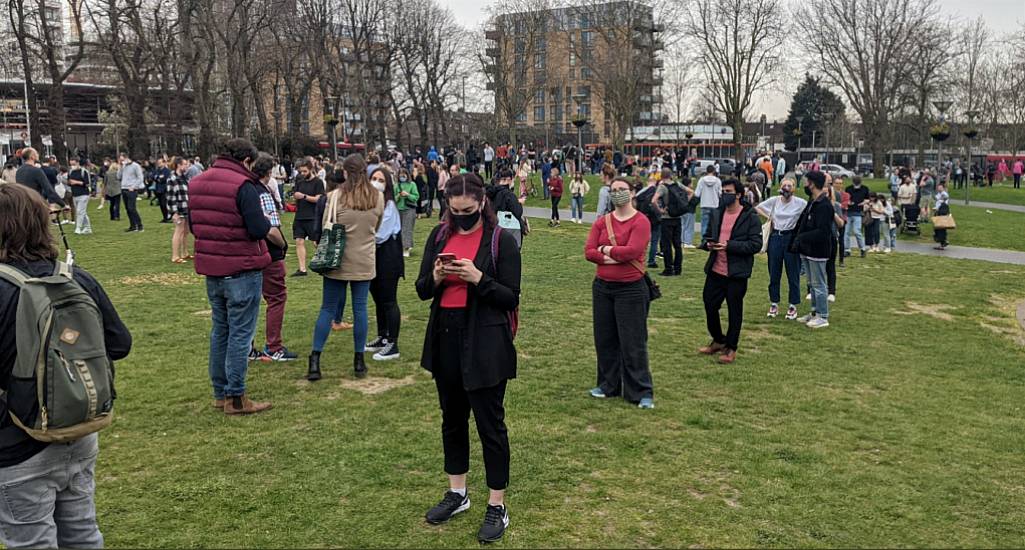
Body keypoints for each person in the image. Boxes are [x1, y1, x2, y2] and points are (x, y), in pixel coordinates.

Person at [0, 183, 132, 549]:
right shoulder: (75, 277)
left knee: (31, 542)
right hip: (78, 424)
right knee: (83, 534)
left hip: (15, 441)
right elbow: (120, 343)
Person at [416, 174, 521, 543]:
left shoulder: (502, 241)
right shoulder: (439, 236)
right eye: (454, 210)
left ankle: (497, 505)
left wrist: (478, 278)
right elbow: (421, 291)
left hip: (485, 340)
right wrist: (437, 275)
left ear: (482, 205)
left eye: (468, 211)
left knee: (490, 425)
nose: (460, 216)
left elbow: (511, 297)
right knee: (452, 419)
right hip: (445, 335)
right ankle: (457, 493)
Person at [188, 138, 276, 415]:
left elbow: (194, 225)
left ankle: (220, 392)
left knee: (221, 330)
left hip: (213, 269)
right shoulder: (244, 185)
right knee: (240, 333)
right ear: (247, 160)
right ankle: (235, 396)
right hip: (242, 268)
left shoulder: (198, 182)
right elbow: (258, 227)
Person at [306, 155, 385, 382]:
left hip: (336, 258)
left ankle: (315, 359)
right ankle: (359, 359)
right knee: (360, 309)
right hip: (364, 259)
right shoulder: (377, 197)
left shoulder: (335, 197)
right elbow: (376, 227)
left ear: (346, 172)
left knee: (328, 308)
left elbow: (324, 226)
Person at [584, 176, 655, 408]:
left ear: (633, 192)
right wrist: (614, 255)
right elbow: (589, 252)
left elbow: (632, 252)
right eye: (613, 190)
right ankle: (608, 385)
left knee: (633, 341)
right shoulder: (602, 222)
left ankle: (640, 391)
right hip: (603, 288)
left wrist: (605, 250)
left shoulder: (641, 221)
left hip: (631, 290)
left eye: (622, 189)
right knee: (605, 339)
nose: (617, 193)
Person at [698, 178, 762, 364]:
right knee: (710, 305)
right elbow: (708, 236)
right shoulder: (718, 213)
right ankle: (718, 339)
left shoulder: (750, 216)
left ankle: (731, 347)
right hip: (716, 270)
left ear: (739, 195)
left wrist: (729, 246)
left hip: (736, 273)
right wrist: (708, 244)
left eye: (728, 191)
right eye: (723, 191)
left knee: (735, 310)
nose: (724, 195)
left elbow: (755, 244)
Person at [249, 153, 297, 363]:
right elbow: (271, 229)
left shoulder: (245, 190)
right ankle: (274, 346)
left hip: (249, 253)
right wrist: (283, 244)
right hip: (269, 253)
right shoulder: (263, 193)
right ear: (268, 173)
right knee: (276, 297)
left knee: (249, 302)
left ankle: (247, 347)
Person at [365, 167, 404, 361]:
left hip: (388, 257)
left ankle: (393, 342)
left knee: (389, 300)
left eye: (381, 179)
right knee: (378, 299)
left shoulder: (389, 206)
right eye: (374, 178)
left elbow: (380, 234)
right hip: (373, 258)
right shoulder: (369, 203)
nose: (377, 182)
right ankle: (382, 335)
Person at [756, 177, 806, 320]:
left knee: (793, 273)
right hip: (776, 237)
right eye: (784, 185)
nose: (786, 188)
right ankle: (774, 303)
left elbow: (809, 212)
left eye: (789, 186)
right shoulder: (775, 200)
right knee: (774, 272)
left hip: (791, 239)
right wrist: (770, 218)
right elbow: (757, 207)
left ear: (794, 188)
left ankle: (793, 305)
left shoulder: (800, 203)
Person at [793, 171, 834, 329]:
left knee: (819, 284)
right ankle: (814, 312)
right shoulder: (812, 201)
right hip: (807, 249)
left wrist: (803, 236)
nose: (804, 184)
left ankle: (823, 315)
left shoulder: (824, 205)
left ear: (813, 184)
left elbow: (823, 231)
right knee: (811, 283)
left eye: (806, 182)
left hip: (818, 250)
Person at [291, 157, 325, 277]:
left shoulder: (318, 182)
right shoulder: (299, 182)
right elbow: (296, 194)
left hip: (312, 216)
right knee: (299, 241)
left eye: (305, 171)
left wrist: (304, 196)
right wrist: (295, 196)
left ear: (310, 169)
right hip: (300, 216)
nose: (302, 174)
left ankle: (323, 265)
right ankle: (302, 269)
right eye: (301, 171)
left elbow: (319, 198)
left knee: (316, 242)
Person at [655, 169, 689, 276]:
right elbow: (691, 192)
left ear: (661, 175)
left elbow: (653, 200)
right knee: (677, 244)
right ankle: (678, 268)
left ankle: (668, 268)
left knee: (667, 244)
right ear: (671, 175)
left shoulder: (662, 187)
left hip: (667, 218)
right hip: (677, 217)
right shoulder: (677, 184)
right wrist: (684, 204)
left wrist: (660, 210)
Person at [487, 168, 526, 248]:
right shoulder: (509, 195)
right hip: (509, 230)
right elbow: (518, 212)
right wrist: (519, 203)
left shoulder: (491, 193)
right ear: (509, 179)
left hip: (494, 228)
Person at [167, 157, 192, 263]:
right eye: (184, 164)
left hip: (186, 208)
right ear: (179, 165)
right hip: (178, 209)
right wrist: (174, 212)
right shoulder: (172, 179)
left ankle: (184, 253)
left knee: (186, 231)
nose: (186, 166)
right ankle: (175, 256)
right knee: (178, 231)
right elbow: (170, 197)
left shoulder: (184, 178)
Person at [396, 168, 420, 257]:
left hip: (409, 209)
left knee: (407, 229)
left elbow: (416, 197)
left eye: (404, 174)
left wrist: (408, 195)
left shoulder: (412, 184)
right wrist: (398, 196)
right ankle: (399, 247)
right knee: (398, 230)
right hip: (398, 209)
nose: (402, 176)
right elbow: (393, 199)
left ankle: (406, 248)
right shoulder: (396, 185)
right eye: (400, 175)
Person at [843, 176, 869, 258]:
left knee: (857, 231)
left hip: (858, 212)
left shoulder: (865, 188)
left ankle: (862, 249)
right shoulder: (848, 188)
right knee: (846, 232)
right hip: (849, 212)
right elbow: (846, 199)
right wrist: (849, 202)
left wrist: (863, 203)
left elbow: (867, 199)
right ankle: (847, 250)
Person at [695, 165, 721, 238]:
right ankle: (713, 238)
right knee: (714, 224)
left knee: (704, 224)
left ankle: (704, 240)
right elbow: (720, 193)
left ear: (706, 171)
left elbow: (697, 193)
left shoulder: (702, 180)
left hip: (705, 204)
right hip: (714, 204)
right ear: (714, 171)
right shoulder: (718, 181)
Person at [67, 158, 93, 235]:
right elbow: (69, 181)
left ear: (78, 163)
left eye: (74, 164)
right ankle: (88, 228)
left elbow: (87, 183)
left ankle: (78, 228)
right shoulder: (71, 171)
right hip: (75, 194)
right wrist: (69, 182)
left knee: (79, 211)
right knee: (82, 211)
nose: (72, 166)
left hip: (84, 194)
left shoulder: (84, 171)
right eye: (71, 164)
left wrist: (76, 182)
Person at [933, 182, 951, 250]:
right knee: (937, 228)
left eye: (940, 187)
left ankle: (943, 242)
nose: (938, 188)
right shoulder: (939, 194)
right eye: (938, 187)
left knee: (941, 228)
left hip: (942, 212)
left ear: (943, 187)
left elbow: (944, 201)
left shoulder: (944, 194)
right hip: (938, 211)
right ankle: (940, 240)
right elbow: (936, 200)